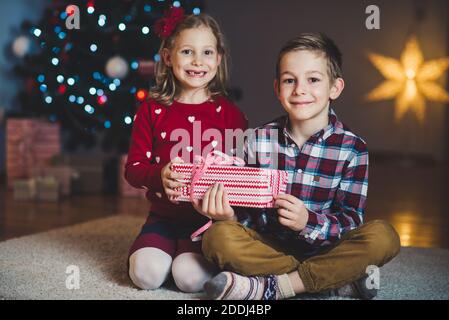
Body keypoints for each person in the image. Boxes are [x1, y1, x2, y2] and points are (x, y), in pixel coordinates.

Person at [196, 33, 401, 300]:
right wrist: (228, 216)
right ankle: (334, 281)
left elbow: (350, 221)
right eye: (289, 80)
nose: (299, 89)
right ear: (277, 87)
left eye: (313, 79)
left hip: (327, 249)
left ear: (335, 88)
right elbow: (245, 216)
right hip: (268, 248)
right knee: (217, 237)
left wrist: (308, 222)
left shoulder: (353, 149)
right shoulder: (256, 140)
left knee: (384, 237)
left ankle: (274, 287)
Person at [125, 7, 247, 293]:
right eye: (187, 52)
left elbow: (243, 171)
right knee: (146, 276)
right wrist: (159, 175)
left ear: (218, 59)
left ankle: (180, 258)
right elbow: (133, 170)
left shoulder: (231, 116)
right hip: (162, 218)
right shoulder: (152, 110)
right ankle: (159, 253)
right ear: (168, 57)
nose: (197, 61)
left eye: (207, 52)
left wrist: (228, 212)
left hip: (207, 224)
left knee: (189, 279)